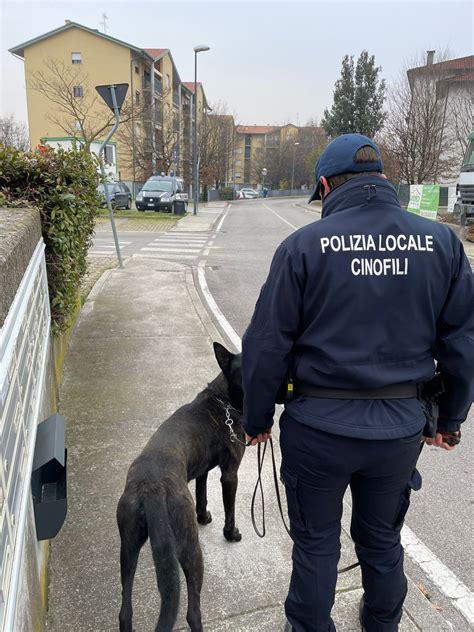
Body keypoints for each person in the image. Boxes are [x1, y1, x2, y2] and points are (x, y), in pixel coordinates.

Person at [241, 134, 474, 632]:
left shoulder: (302, 247)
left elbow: (266, 343)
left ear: (326, 186)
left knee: (318, 543)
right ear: (384, 179)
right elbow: (462, 342)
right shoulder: (441, 243)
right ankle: (382, 623)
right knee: (381, 539)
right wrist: (449, 419)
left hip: (318, 430)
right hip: (398, 431)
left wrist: (257, 418)